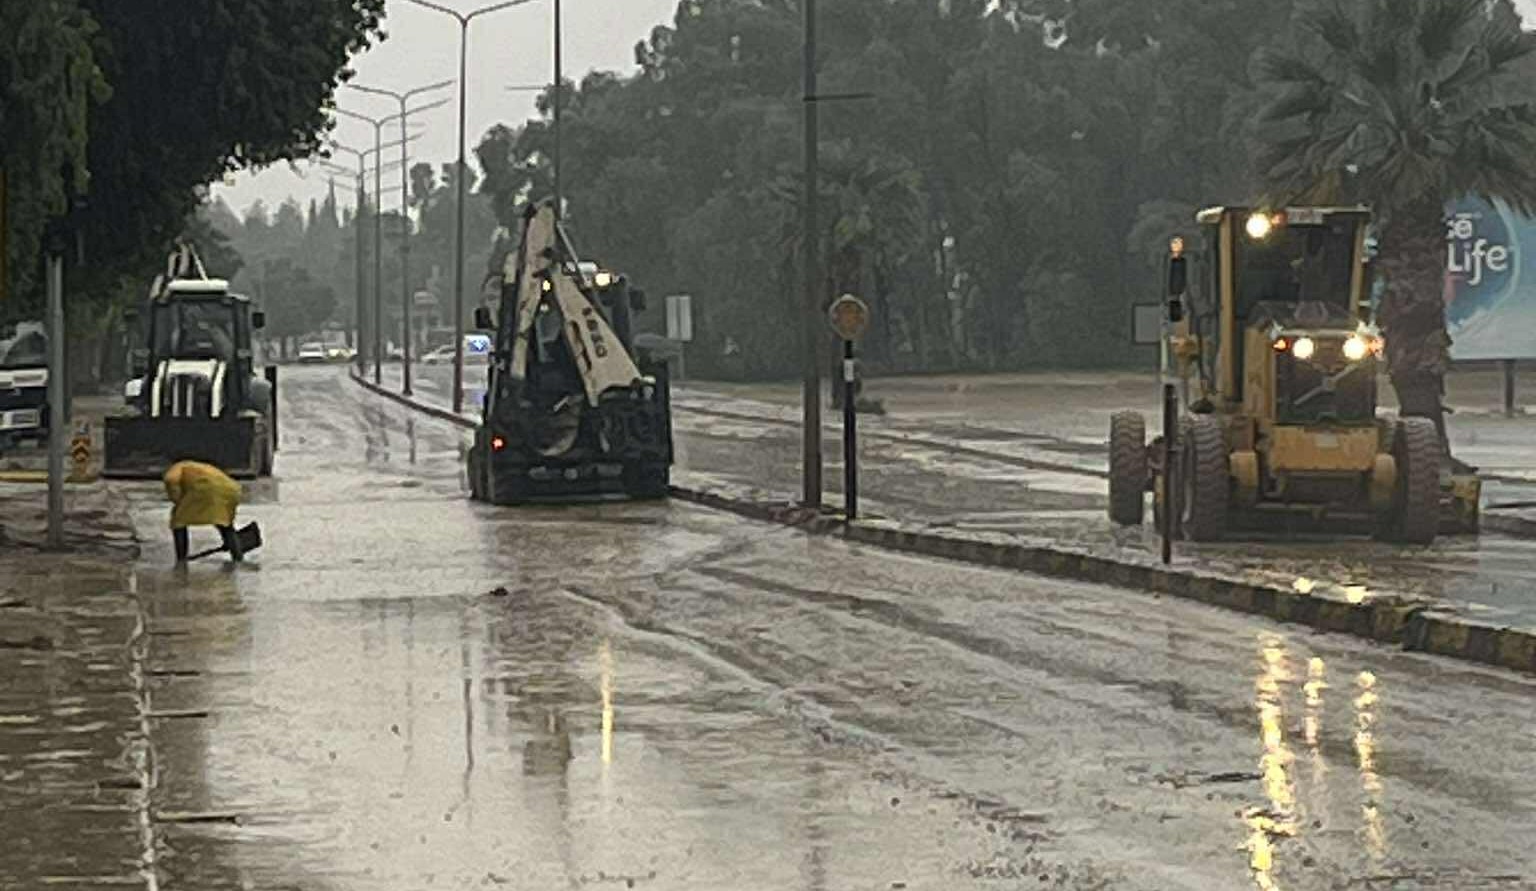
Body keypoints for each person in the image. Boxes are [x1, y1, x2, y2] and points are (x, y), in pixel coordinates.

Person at [163, 460, 244, 563]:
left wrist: (177, 501)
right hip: (231, 489)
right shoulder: (192, 466)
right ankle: (237, 557)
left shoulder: (173, 471)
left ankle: (181, 559)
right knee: (225, 523)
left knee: (178, 522)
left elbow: (171, 480)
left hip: (205, 488)